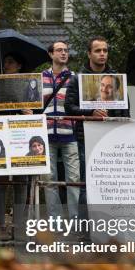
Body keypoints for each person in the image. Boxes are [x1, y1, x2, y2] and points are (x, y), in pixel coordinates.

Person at [65, 36, 130, 211]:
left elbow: (126, 111)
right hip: (86, 138)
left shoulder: (117, 79)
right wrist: (90, 112)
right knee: (88, 182)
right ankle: (86, 229)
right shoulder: (77, 79)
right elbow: (69, 108)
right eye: (97, 50)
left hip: (113, 139)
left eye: (105, 50)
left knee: (112, 184)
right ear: (89, 54)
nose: (102, 54)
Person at [0, 52, 34, 234]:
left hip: (22, 136)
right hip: (1, 135)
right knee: (0, 180)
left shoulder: (29, 85)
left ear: (19, 66)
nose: (6, 65)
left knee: (21, 180)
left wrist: (29, 112)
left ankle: (19, 224)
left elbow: (37, 109)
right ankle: (0, 224)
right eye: (5, 62)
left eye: (10, 62)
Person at [42, 40, 80, 220]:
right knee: (49, 181)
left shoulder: (75, 77)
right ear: (51, 54)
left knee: (74, 179)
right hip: (46, 134)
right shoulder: (40, 77)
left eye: (66, 50)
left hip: (69, 133)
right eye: (59, 50)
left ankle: (74, 218)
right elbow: (33, 104)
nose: (64, 53)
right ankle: (54, 219)